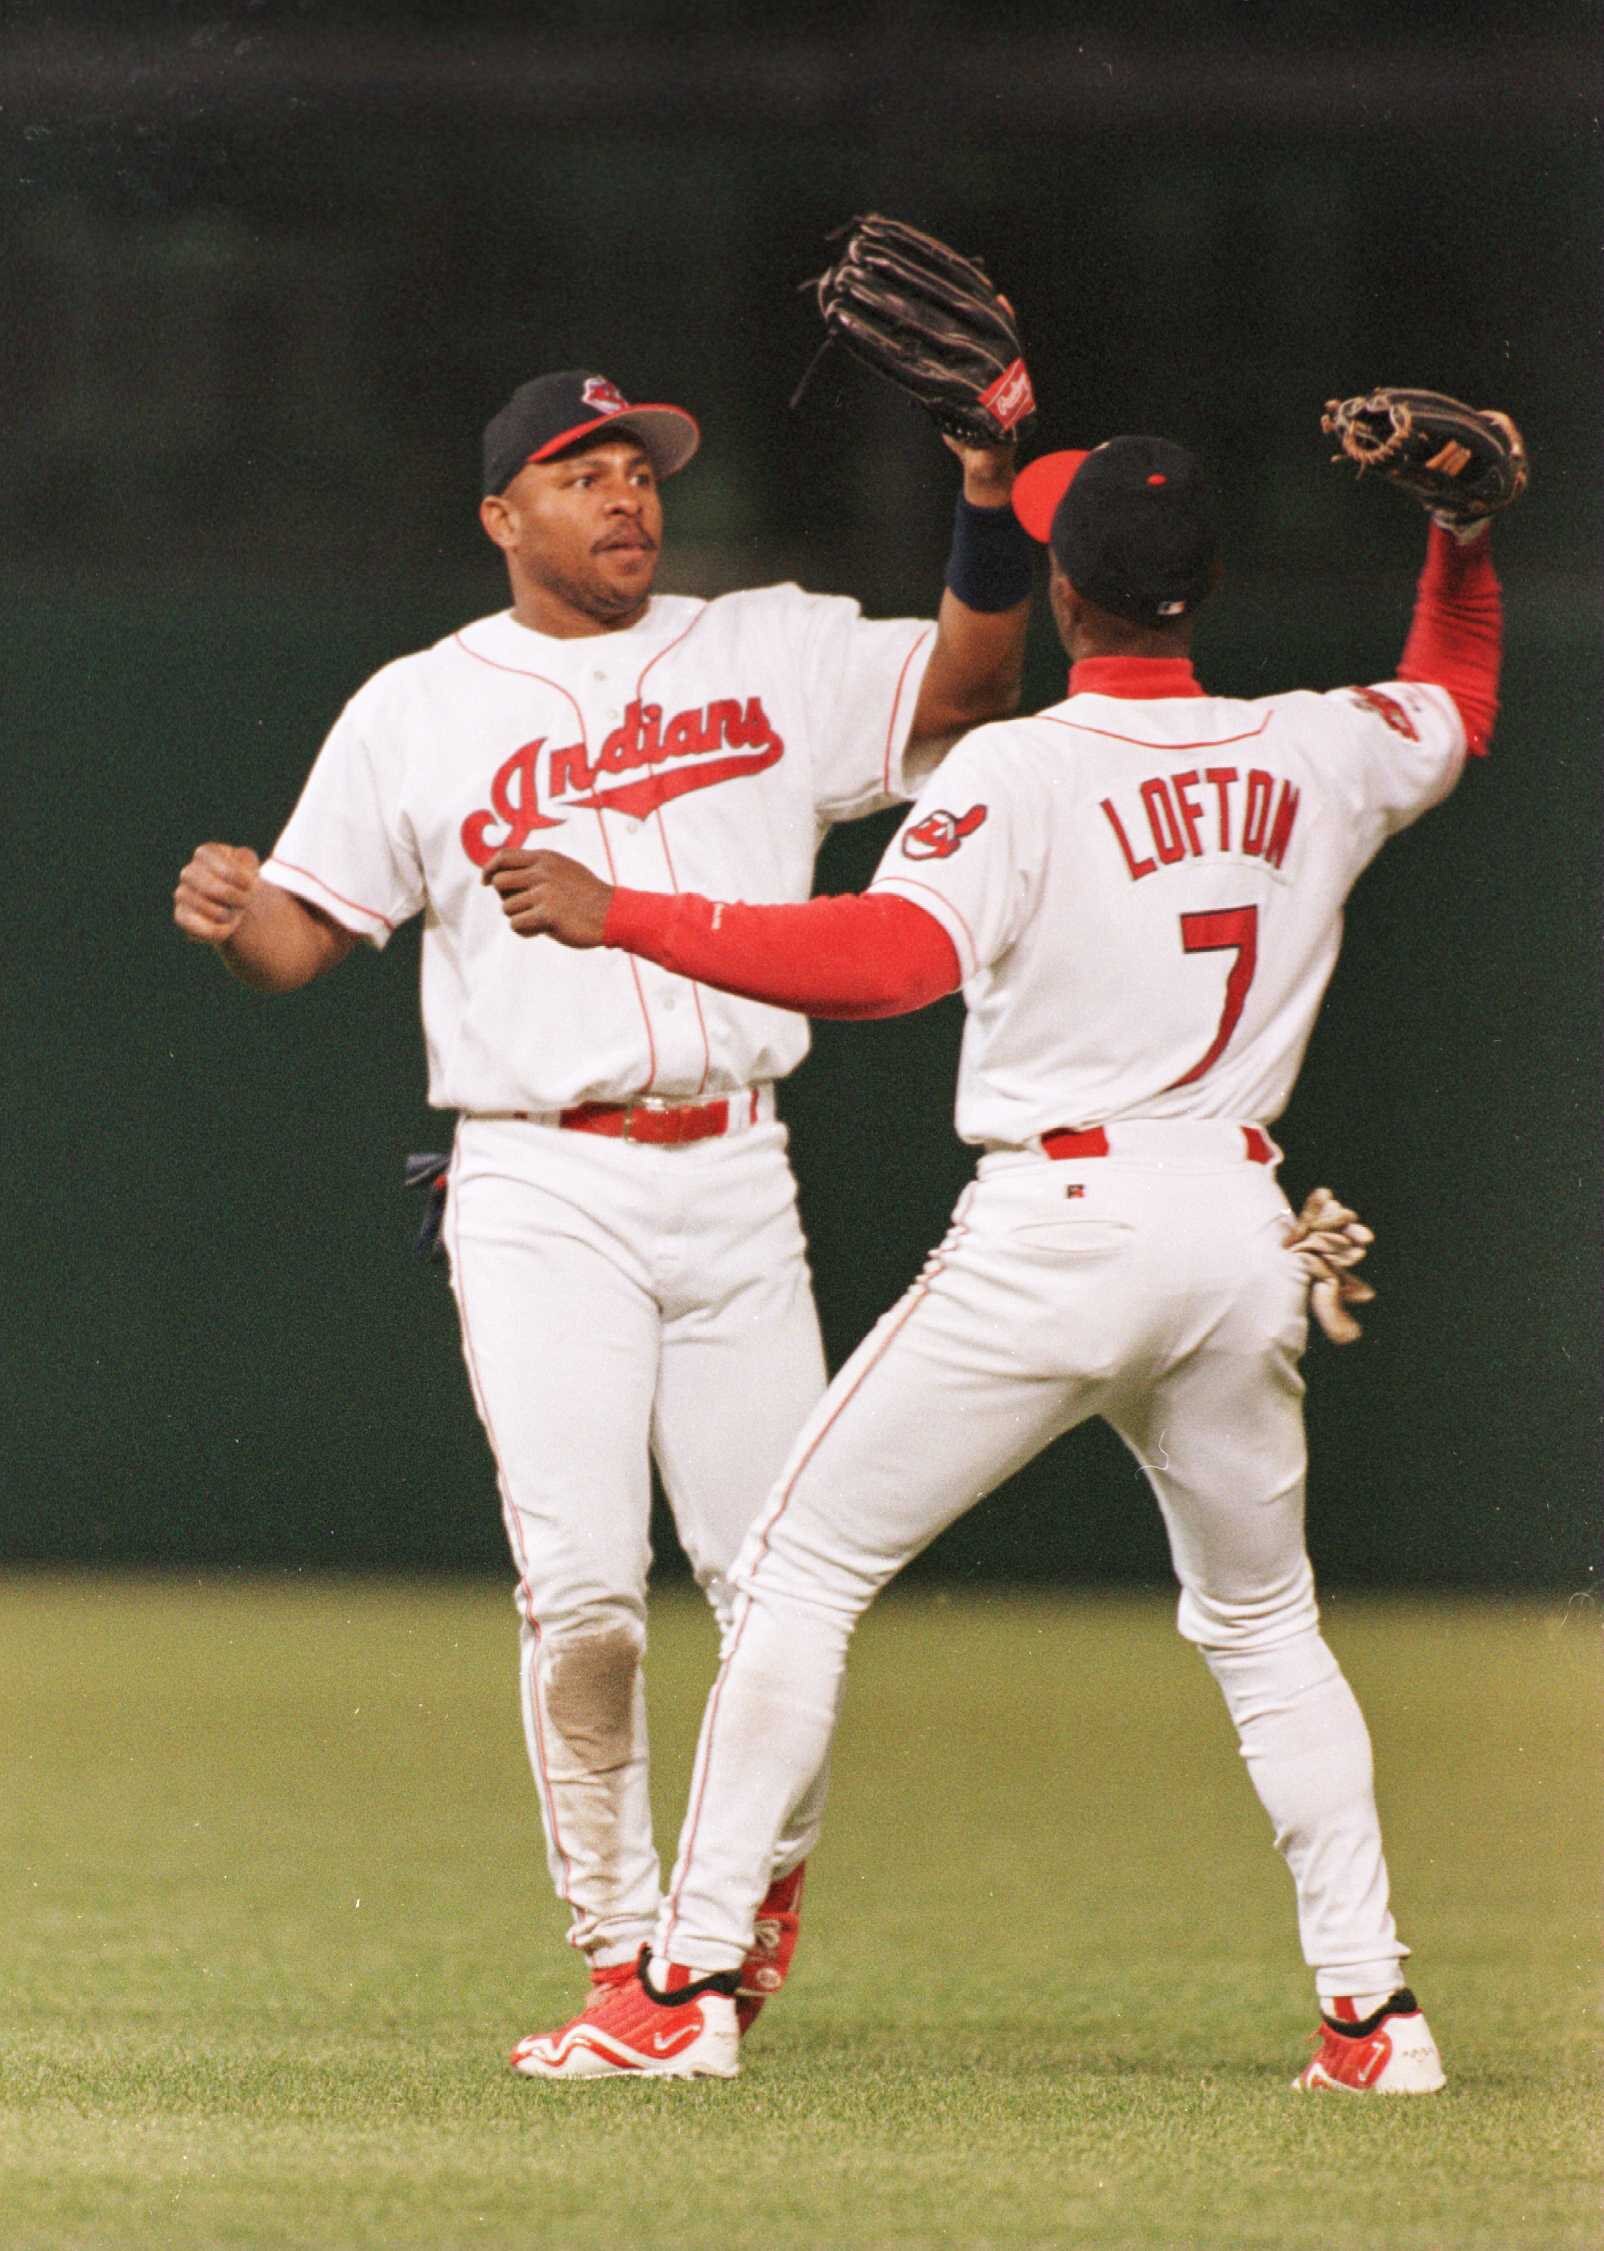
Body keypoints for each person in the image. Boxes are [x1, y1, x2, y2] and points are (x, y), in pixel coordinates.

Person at [485, 422, 1509, 2088]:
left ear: (1063, 587)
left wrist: (635, 914)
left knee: (802, 1570)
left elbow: (888, 964)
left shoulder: (1020, 769)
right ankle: (1374, 2016)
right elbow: (1452, 696)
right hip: (1242, 1227)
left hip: (1066, 1225)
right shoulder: (1317, 746)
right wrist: (1461, 532)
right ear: (1206, 592)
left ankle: (679, 1993)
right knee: (1264, 1624)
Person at [172, 364, 1035, 2059]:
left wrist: (988, 490)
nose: (628, 495)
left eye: (640, 468)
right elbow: (301, 939)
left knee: (778, 1582)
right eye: (582, 474)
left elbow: (977, 672)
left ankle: (749, 1887)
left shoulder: (765, 646)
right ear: (504, 519)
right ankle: (626, 1954)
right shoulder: (419, 705)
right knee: (582, 1596)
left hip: (736, 1167)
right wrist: (233, 919)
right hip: (535, 1175)